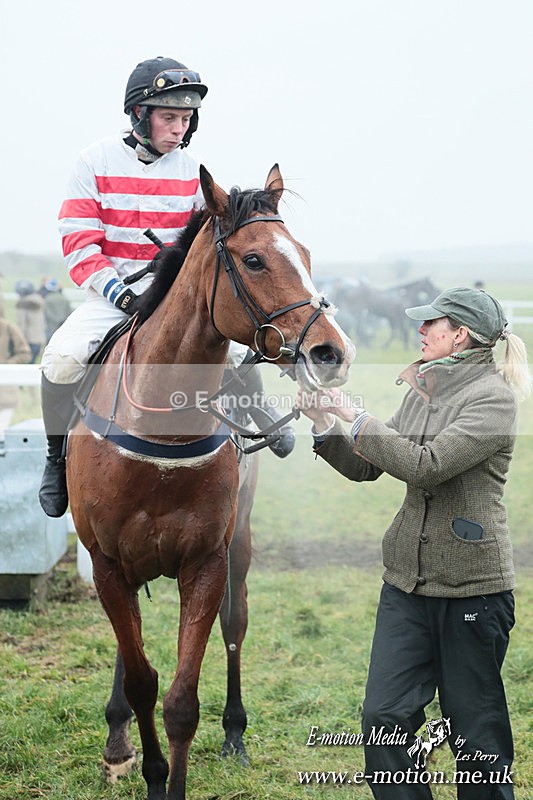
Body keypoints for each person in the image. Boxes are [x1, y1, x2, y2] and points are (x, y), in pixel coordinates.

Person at [296, 287, 531, 800]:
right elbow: (368, 465)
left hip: (473, 592)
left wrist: (354, 414)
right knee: (384, 717)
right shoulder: (421, 389)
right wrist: (324, 424)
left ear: (460, 335)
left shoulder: (492, 401)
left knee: (475, 734)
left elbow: (424, 466)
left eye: (431, 324)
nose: (420, 331)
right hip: (405, 585)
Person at [39, 56, 294, 519]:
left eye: (185, 119)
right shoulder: (92, 161)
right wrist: (121, 294)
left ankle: (260, 418)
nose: (179, 128)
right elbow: (79, 242)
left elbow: (207, 244)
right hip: (111, 297)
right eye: (169, 117)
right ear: (139, 114)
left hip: (174, 298)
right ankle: (56, 461)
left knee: (236, 350)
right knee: (60, 358)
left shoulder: (194, 170)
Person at [0, 313, 31, 440]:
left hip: (5, 393)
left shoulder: (7, 327)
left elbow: (25, 353)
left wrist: (7, 365)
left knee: (2, 434)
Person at [15, 279, 46, 363]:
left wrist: (19, 341)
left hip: (28, 339)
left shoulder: (22, 305)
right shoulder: (39, 301)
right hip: (39, 338)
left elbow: (22, 325)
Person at [40, 277, 73, 342]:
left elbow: (47, 313)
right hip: (63, 326)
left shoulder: (47, 299)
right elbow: (69, 312)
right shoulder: (65, 299)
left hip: (51, 327)